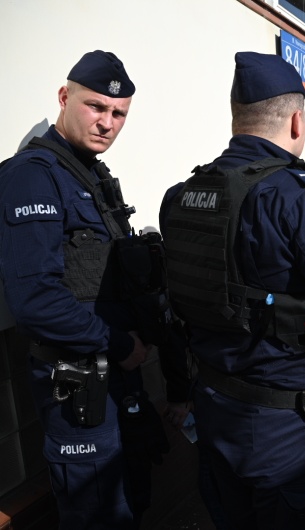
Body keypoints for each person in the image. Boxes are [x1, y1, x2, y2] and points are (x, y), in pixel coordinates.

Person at [159, 52, 305, 530]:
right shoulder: (302, 195)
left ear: (236, 118)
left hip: (214, 412)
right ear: (295, 120)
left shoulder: (183, 195)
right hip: (286, 434)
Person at [0, 50, 190, 529]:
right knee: (97, 515)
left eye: (118, 113)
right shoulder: (32, 177)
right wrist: (120, 343)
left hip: (117, 378)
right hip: (78, 381)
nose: (107, 122)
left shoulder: (93, 175)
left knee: (132, 497)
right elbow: (36, 301)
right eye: (96, 107)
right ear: (65, 98)